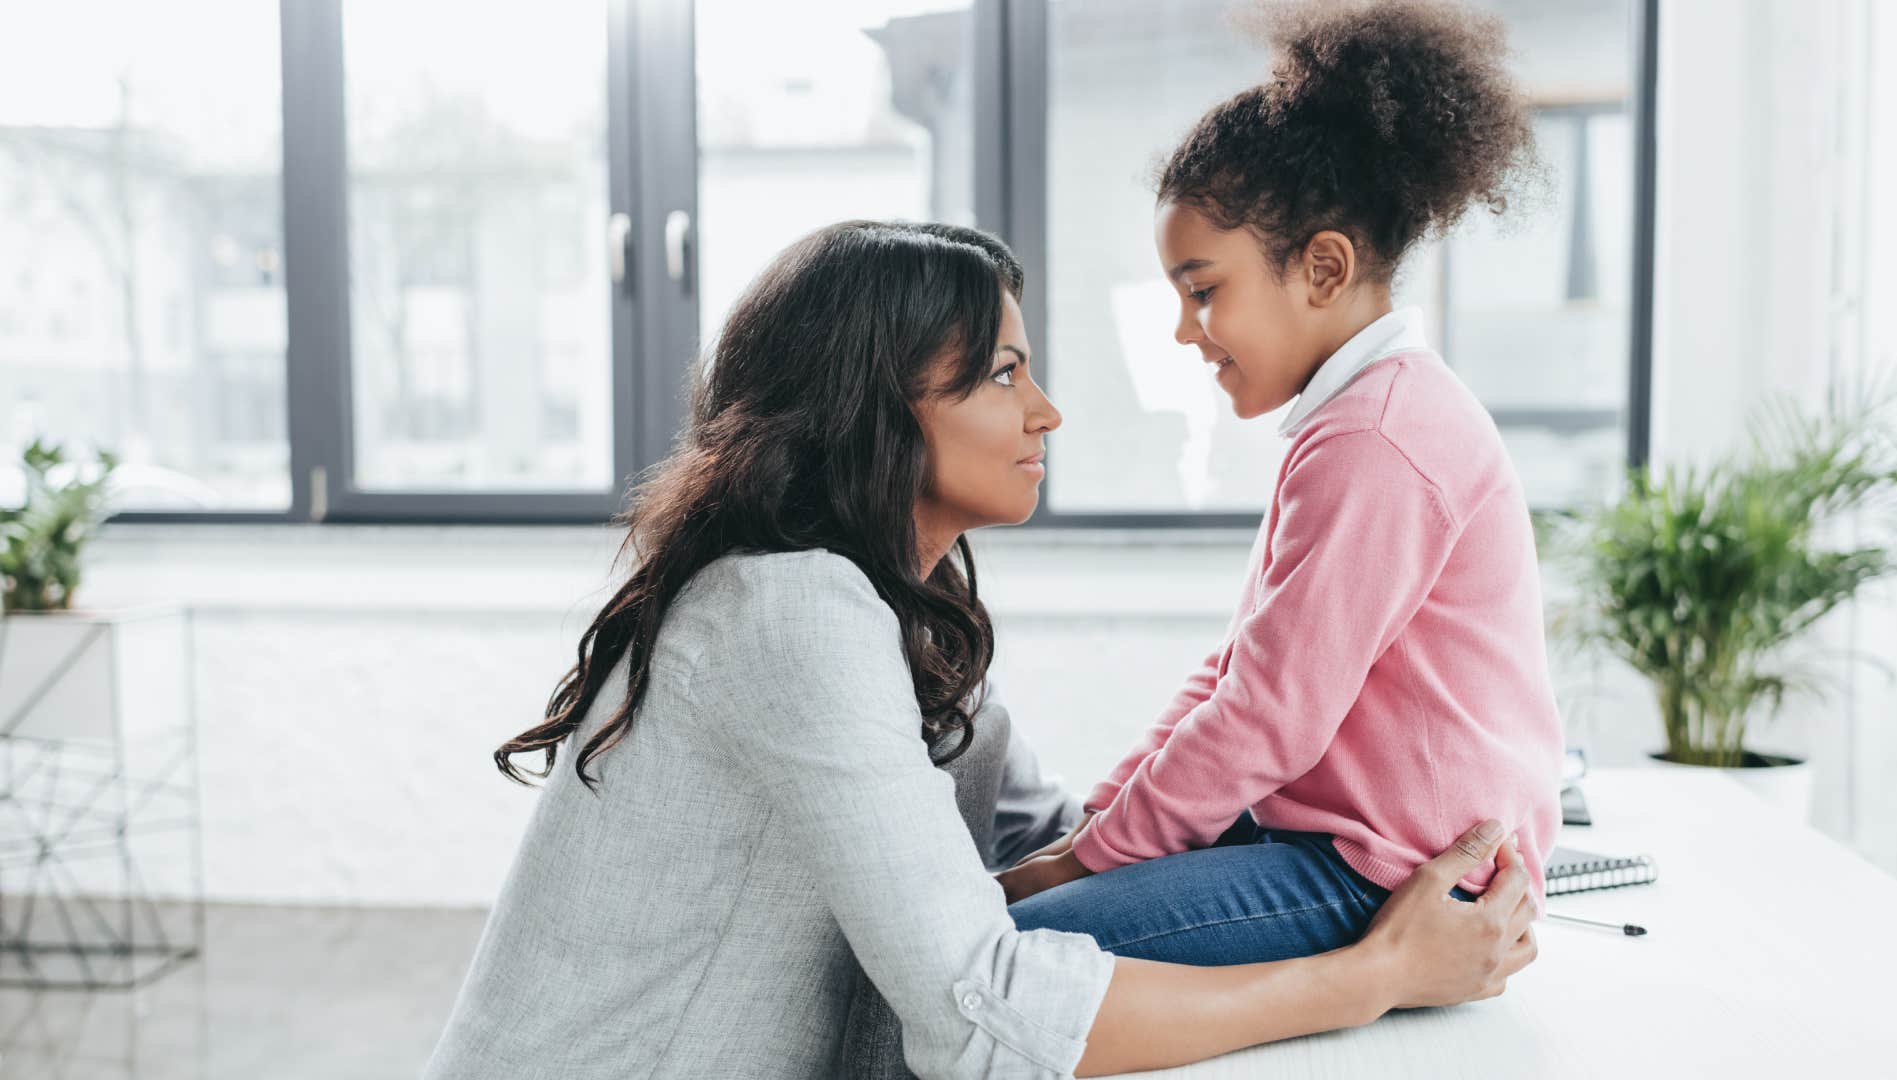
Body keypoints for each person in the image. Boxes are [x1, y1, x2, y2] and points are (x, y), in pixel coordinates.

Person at [421, 220, 1537, 1080]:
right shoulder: (789, 613)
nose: (1046, 411)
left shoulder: (899, 612)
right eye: (1005, 374)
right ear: (875, 408)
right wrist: (1372, 975)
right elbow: (980, 1011)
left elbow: (1053, 839)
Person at [996, 0, 1565, 968]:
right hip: (1337, 843)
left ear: (1324, 268)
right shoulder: (1359, 416)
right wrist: (1099, 822)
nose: (1185, 331)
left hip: (1385, 875)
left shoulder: (1379, 440)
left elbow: (1267, 717)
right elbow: (1239, 673)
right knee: (1030, 895)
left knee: (1008, 951)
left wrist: (1079, 864)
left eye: (1204, 289)